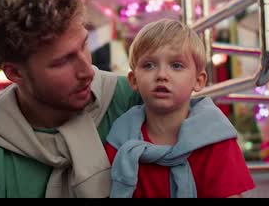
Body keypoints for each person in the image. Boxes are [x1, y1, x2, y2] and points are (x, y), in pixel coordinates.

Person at [0, 0, 209, 198]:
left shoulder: (135, 98)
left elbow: (212, 145)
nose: (86, 70)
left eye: (84, 45)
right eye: (61, 61)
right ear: (15, 74)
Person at [105, 19, 255, 198]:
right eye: (149, 65)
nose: (161, 75)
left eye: (176, 65)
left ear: (198, 80)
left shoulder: (216, 138)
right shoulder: (120, 137)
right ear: (133, 80)